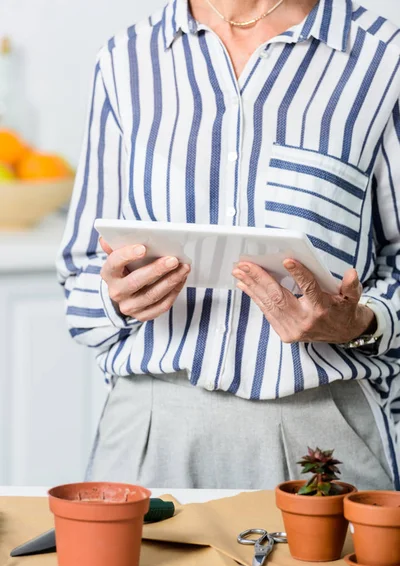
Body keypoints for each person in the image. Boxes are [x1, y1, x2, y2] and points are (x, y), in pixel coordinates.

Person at [57, 0, 400, 491]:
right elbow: (81, 271)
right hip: (151, 430)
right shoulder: (125, 59)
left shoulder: (383, 59)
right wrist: (115, 298)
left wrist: (364, 321)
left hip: (323, 434)